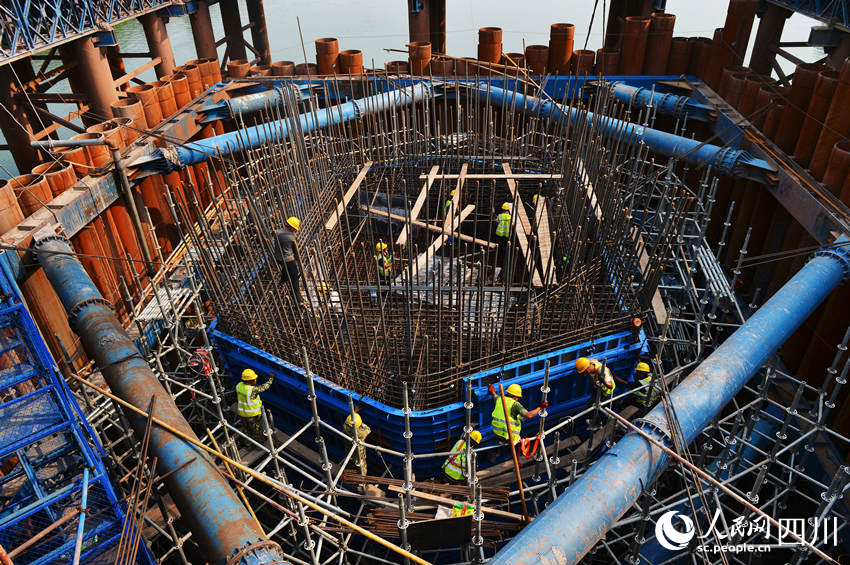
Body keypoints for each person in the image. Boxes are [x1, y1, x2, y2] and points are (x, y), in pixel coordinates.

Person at [488, 383, 546, 459]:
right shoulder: (515, 404)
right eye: (517, 397)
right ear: (515, 397)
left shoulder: (499, 399)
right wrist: (540, 407)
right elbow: (529, 415)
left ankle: (501, 444)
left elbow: (494, 396)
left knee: (513, 415)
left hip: (497, 434)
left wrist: (492, 391)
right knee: (521, 417)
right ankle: (515, 440)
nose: (518, 399)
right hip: (509, 437)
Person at [236, 369, 274, 442]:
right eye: (254, 379)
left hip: (242, 413)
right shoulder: (252, 390)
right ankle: (260, 443)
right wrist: (271, 379)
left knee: (246, 430)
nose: (255, 380)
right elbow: (264, 387)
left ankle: (248, 444)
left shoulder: (239, 386)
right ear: (249, 381)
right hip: (252, 415)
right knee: (257, 431)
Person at [274, 216, 302, 304]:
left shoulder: (277, 232)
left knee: (285, 268)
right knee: (295, 278)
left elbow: (272, 233)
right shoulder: (292, 237)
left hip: (278, 258)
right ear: (291, 227)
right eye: (294, 229)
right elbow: (295, 252)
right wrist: (298, 262)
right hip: (288, 260)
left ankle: (283, 281)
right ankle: (298, 300)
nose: (295, 230)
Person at [344, 411, 371, 477]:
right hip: (359, 451)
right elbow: (368, 430)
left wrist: (354, 413)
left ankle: (350, 474)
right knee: (360, 464)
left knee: (350, 460)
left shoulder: (345, 427)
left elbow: (348, 422)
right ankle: (362, 480)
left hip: (349, 449)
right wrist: (360, 423)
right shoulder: (360, 433)